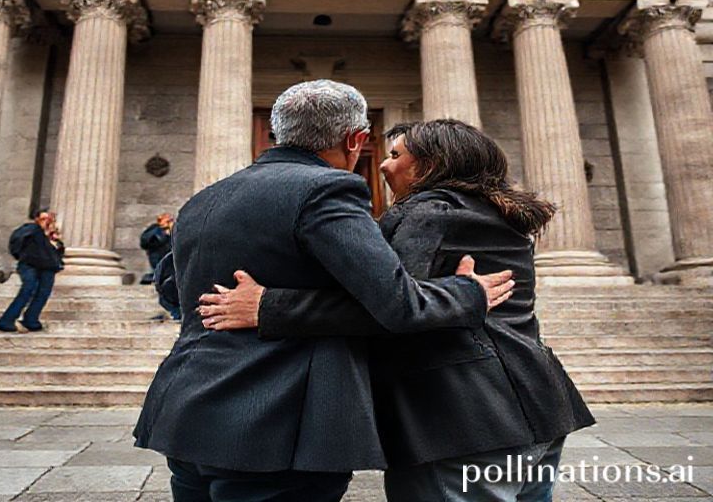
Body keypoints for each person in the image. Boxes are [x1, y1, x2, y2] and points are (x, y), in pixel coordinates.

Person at [133, 81, 515, 502]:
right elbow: (397, 303)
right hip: (276, 425)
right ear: (354, 139)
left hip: (186, 412)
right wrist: (466, 293)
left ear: (279, 132)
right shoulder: (328, 189)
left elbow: (171, 289)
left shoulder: (204, 199)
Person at [199, 119, 596, 502]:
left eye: (394, 154)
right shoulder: (498, 215)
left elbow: (389, 305)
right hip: (540, 406)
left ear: (429, 165)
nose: (384, 165)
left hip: (462, 419)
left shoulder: (427, 213)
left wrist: (268, 306)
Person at [0, 208, 65, 333]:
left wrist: (54, 240)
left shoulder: (52, 237)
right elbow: (18, 241)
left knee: (43, 293)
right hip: (30, 264)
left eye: (50, 219)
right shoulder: (31, 229)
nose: (47, 222)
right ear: (37, 219)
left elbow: (58, 253)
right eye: (44, 219)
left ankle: (31, 319)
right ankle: (7, 320)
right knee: (29, 287)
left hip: (47, 267)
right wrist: (41, 231)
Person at [139, 213, 174, 284]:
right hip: (157, 256)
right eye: (166, 220)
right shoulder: (155, 229)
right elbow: (145, 241)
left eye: (169, 221)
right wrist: (162, 234)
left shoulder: (174, 231)